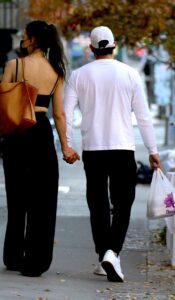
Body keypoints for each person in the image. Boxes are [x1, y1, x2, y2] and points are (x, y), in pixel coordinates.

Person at [64, 26, 161, 282]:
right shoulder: (130, 74)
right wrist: (153, 151)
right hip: (122, 148)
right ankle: (112, 252)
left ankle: (103, 255)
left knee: (97, 203)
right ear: (114, 45)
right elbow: (143, 117)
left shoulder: (79, 75)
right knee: (123, 203)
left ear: (92, 48)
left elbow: (66, 112)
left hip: (93, 149)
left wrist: (67, 144)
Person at [0, 20, 79, 277]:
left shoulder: (15, 65)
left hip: (17, 133)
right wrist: (66, 146)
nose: (22, 39)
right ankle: (37, 261)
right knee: (42, 198)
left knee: (16, 195)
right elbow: (60, 114)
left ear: (32, 39)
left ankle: (13, 256)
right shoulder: (56, 71)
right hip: (41, 132)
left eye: (24, 36)